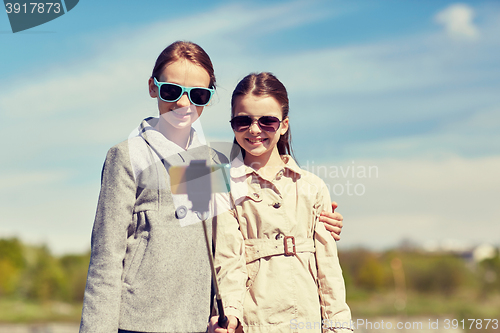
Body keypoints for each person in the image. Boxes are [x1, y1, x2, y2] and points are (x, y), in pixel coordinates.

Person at [79, 41, 344, 333]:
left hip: (202, 323)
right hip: (140, 322)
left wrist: (321, 220)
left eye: (198, 94)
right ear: (153, 88)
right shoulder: (128, 156)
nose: (183, 103)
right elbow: (106, 260)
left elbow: (239, 231)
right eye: (171, 90)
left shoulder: (215, 162)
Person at [210, 73, 352, 333]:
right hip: (252, 323)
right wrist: (229, 315)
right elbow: (228, 262)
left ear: (284, 125)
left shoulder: (313, 187)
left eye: (267, 121)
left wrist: (339, 327)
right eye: (243, 121)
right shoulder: (221, 183)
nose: (254, 130)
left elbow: (329, 271)